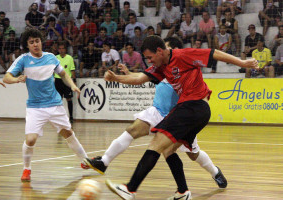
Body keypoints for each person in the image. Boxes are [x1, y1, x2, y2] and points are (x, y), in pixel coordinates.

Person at [102, 35, 258, 200]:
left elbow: (214, 53)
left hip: (192, 107)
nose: (149, 61)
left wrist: (243, 63)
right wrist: (116, 78)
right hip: (196, 112)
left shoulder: (183, 55)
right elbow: (140, 78)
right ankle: (183, 192)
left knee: (156, 143)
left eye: (150, 57)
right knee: (169, 150)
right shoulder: (161, 66)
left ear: (160, 51)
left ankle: (130, 189)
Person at [84, 36, 227, 192]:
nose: (162, 51)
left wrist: (126, 75)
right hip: (158, 110)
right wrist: (125, 74)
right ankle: (104, 162)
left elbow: (142, 77)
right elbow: (142, 77)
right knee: (132, 130)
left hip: (178, 116)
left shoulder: (183, 66)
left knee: (191, 154)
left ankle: (214, 172)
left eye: (166, 47)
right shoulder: (161, 66)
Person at [3, 29, 89, 182]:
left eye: (37, 41)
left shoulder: (51, 58)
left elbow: (63, 74)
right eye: (31, 42)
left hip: (55, 104)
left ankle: (86, 160)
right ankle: (26, 169)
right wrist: (16, 79)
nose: (35, 44)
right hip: (35, 107)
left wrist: (72, 85)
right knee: (30, 140)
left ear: (41, 41)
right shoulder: (23, 60)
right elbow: (6, 77)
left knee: (68, 133)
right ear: (27, 45)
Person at [54, 43, 76, 122]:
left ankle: (71, 117)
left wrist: (74, 81)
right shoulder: (55, 58)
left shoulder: (69, 58)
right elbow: (52, 70)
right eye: (59, 48)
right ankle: (59, 117)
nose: (61, 50)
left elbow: (72, 70)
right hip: (58, 80)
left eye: (63, 48)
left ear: (65, 49)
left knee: (69, 99)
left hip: (67, 80)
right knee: (58, 100)